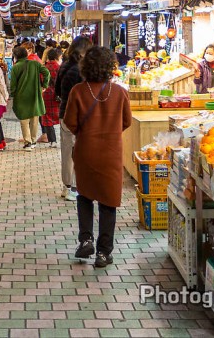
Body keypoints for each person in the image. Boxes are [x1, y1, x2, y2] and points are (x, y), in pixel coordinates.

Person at [63, 46, 132, 268]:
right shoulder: (120, 92)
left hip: (86, 151)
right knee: (108, 201)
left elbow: (70, 122)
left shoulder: (78, 91)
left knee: (84, 196)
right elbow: (127, 122)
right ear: (110, 67)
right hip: (111, 153)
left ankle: (86, 240)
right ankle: (103, 253)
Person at [55, 36, 93, 201]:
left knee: (66, 151)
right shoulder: (80, 70)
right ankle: (73, 188)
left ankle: (66, 187)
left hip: (64, 114)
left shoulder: (64, 65)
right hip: (77, 116)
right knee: (77, 152)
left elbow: (56, 90)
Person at [9, 45, 50, 150]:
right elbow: (46, 73)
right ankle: (33, 140)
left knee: (24, 120)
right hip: (35, 96)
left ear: (16, 56)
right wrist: (44, 85)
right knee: (34, 119)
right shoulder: (35, 64)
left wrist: (12, 94)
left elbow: (13, 84)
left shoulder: (15, 67)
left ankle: (28, 142)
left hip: (21, 97)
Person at [40, 47, 62, 148]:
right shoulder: (60, 68)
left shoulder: (44, 68)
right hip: (57, 94)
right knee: (61, 115)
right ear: (57, 57)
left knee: (47, 117)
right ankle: (64, 137)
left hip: (46, 94)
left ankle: (53, 141)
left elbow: (40, 81)